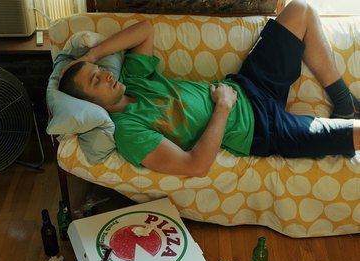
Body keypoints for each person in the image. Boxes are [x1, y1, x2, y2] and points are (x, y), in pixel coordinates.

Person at [59, 0, 360, 177]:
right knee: (355, 135)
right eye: (96, 81)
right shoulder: (128, 131)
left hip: (250, 83)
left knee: (300, 9)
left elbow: (145, 29)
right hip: (261, 130)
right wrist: (223, 106)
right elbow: (196, 165)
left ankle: (344, 101)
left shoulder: (133, 78)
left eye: (100, 72)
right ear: (91, 104)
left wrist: (90, 56)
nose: (107, 76)